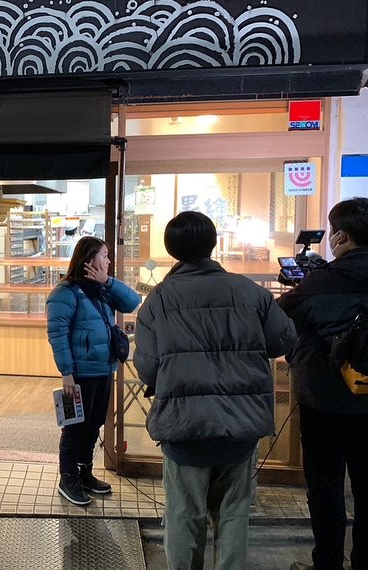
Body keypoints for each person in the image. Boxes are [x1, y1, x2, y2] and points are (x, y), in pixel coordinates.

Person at [133, 211, 297, 569]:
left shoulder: (158, 300)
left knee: (183, 515)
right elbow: (283, 340)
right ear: (212, 243)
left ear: (172, 249)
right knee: (234, 514)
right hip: (241, 427)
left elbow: (147, 367)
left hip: (184, 428)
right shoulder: (250, 292)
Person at [278, 198, 368, 570]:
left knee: (325, 487)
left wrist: (302, 286)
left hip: (323, 400)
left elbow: (281, 322)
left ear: (341, 236)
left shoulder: (320, 282)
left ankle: (327, 563)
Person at [46, 236, 141, 506]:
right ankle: (68, 479)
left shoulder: (102, 288)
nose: (108, 261)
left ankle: (84, 473)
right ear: (89, 259)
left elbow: (132, 302)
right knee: (75, 427)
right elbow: (57, 334)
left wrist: (107, 281)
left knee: (94, 424)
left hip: (103, 369)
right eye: (104, 255)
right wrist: (66, 372)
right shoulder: (64, 293)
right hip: (79, 374)